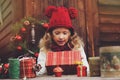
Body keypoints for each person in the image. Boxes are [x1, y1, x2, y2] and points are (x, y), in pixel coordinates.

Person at [36, 6, 89, 76]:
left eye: (65, 33)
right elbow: (39, 72)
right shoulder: (45, 49)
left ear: (70, 34)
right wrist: (47, 65)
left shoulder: (76, 47)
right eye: (57, 33)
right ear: (51, 34)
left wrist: (81, 64)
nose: (61, 37)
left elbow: (87, 70)